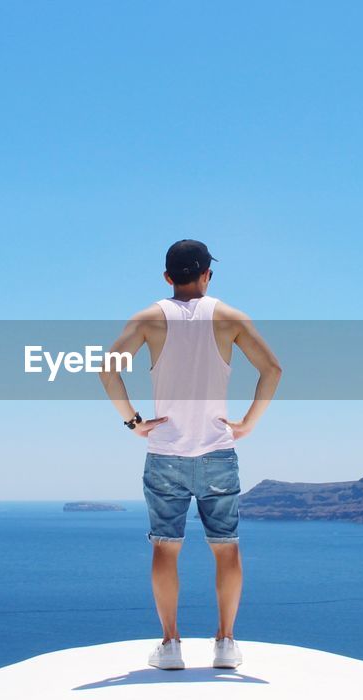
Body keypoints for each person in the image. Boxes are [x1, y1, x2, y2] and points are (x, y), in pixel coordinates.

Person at [100, 239, 282, 671]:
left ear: (168, 277)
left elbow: (108, 368)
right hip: (219, 450)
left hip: (165, 452)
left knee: (165, 548)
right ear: (207, 275)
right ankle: (226, 643)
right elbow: (273, 370)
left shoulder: (148, 319)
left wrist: (134, 423)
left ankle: (170, 644)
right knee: (227, 548)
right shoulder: (230, 318)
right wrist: (249, 423)